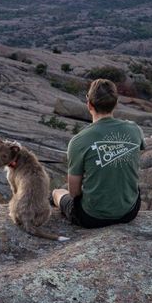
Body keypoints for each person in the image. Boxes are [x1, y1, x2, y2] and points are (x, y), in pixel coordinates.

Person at [52, 78, 144, 228]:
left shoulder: (78, 141)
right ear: (115, 103)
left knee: (57, 192)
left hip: (92, 218)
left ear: (89, 104)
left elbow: (74, 194)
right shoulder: (134, 129)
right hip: (130, 212)